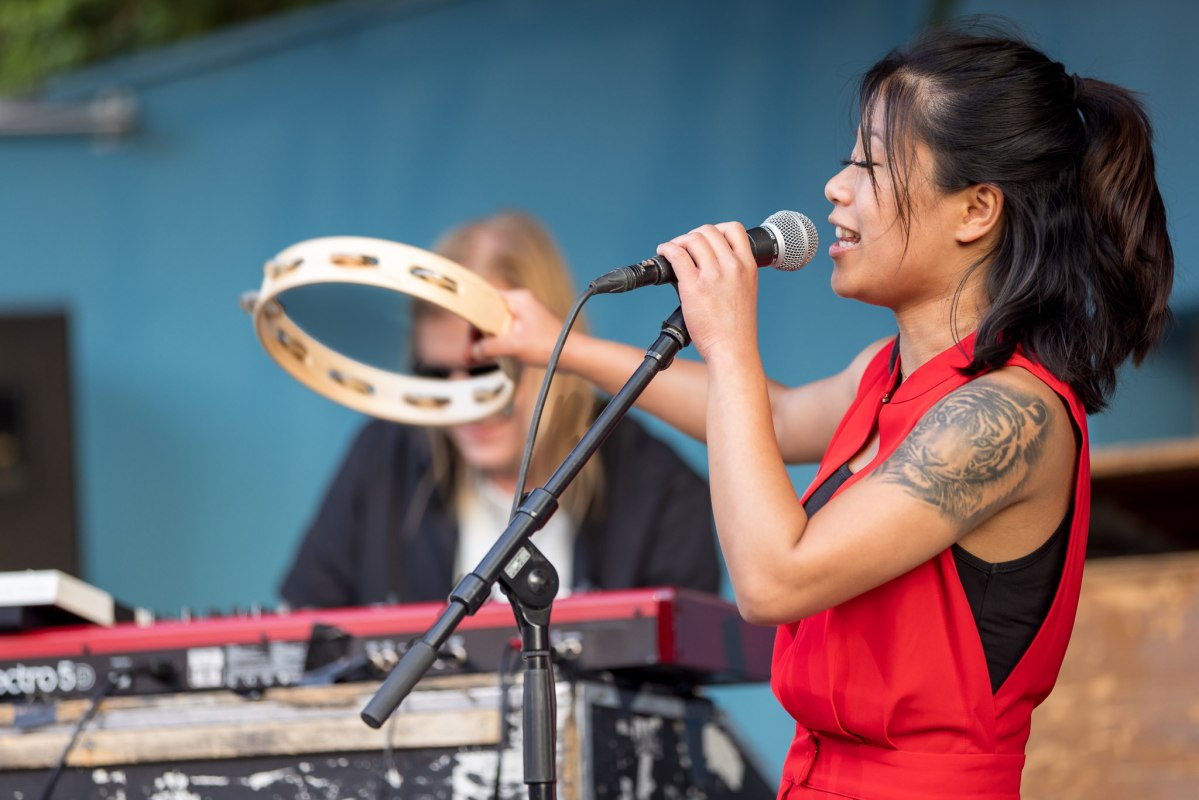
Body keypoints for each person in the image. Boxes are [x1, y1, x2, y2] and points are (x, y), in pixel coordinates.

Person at [472, 23, 1173, 799]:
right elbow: (762, 419)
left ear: (975, 210)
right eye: (848, 160)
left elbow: (773, 581)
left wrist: (734, 338)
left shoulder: (1009, 413)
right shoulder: (884, 374)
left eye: (870, 166)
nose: (836, 188)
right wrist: (557, 347)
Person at [279, 211, 721, 609]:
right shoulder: (384, 459)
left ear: (552, 350)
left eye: (487, 371)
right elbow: (304, 637)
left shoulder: (661, 490)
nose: (462, 402)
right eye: (436, 375)